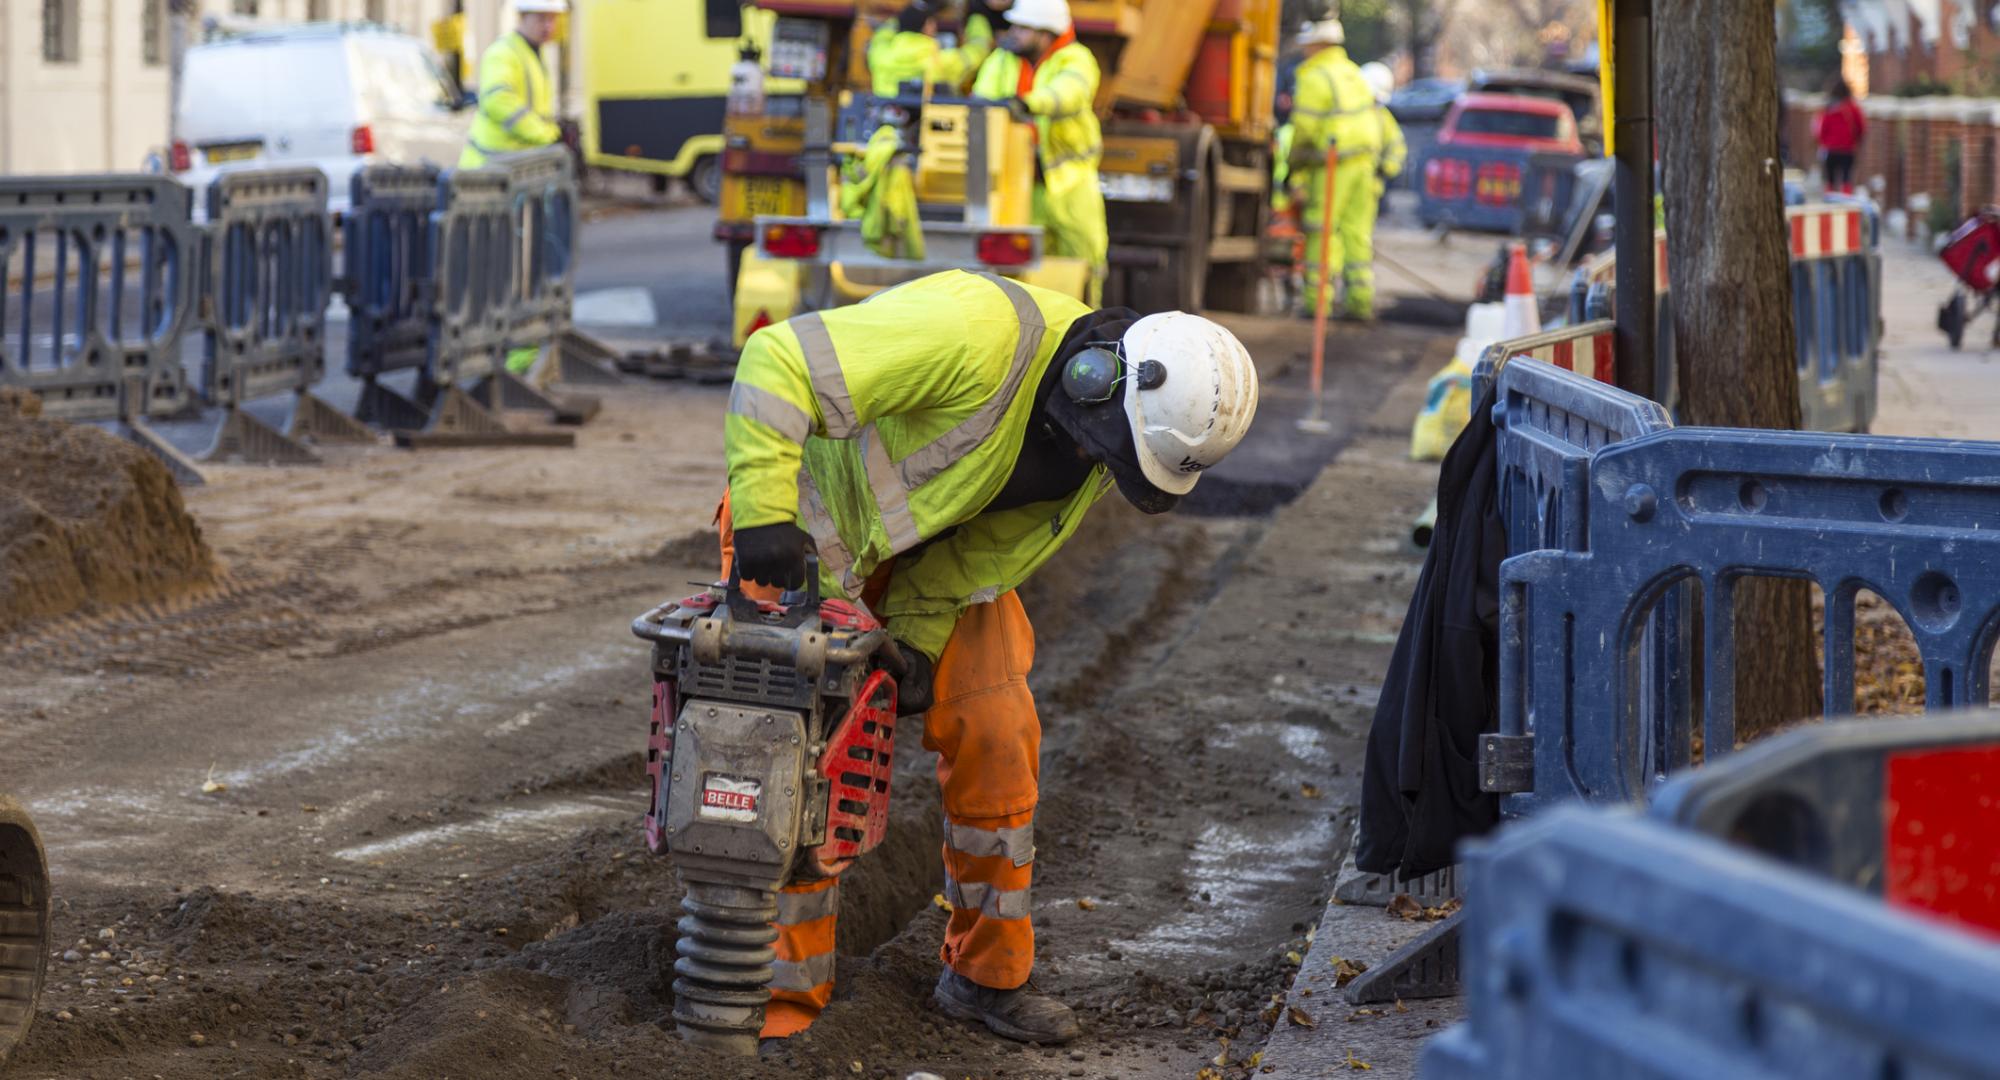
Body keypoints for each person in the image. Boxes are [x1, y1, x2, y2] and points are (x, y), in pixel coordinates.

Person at [721, 269, 1260, 1045]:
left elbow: (978, 553)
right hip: (798, 534)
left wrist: (917, 636)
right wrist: (767, 516)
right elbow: (776, 360)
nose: (1092, 458)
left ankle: (985, 978)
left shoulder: (1102, 447)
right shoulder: (976, 332)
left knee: (999, 730)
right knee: (799, 762)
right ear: (1093, 375)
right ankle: (775, 1010)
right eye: (1102, 443)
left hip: (916, 568)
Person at [970, 0, 1108, 303]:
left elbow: (1069, 95)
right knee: (1024, 270)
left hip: (1070, 185)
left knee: (1083, 259)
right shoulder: (1002, 60)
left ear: (1046, 34)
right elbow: (980, 101)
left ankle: (1087, 331)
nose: (1013, 33)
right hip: (1020, 184)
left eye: (1022, 28)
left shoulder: (1076, 59)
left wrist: (1029, 104)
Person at [1288, 19, 1381, 320]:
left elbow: (1304, 129)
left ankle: (1317, 303)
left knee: (1322, 230)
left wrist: (1294, 166)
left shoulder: (1315, 75)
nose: (1303, 50)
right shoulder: (1353, 72)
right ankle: (1359, 303)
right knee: (1356, 233)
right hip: (1364, 164)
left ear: (1317, 44)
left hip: (1332, 164)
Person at [459, 0, 563, 169]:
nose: (548, 26)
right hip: (487, 169)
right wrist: (545, 134)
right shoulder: (503, 52)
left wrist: (553, 130)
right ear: (522, 16)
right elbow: (498, 100)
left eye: (552, 19)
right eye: (541, 18)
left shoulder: (534, 54)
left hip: (513, 166)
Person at [867, 1, 994, 97]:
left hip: (887, 125)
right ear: (928, 27)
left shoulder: (880, 55)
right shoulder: (940, 61)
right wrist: (978, 20)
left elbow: (882, 35)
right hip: (932, 126)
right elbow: (977, 53)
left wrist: (905, 16)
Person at [1360, 62, 1406, 244]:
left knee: (1360, 231)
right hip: (1359, 181)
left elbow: (1397, 147)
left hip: (1371, 184)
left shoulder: (1383, 117)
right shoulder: (1355, 112)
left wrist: (1385, 168)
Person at [1815, 78, 1865, 196]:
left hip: (1830, 149)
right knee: (1846, 178)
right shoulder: (1853, 108)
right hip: (1848, 149)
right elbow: (1861, 127)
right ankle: (1846, 201)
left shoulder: (1829, 108)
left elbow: (1822, 129)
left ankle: (1830, 201)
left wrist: (1823, 142)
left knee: (1830, 179)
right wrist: (1856, 141)